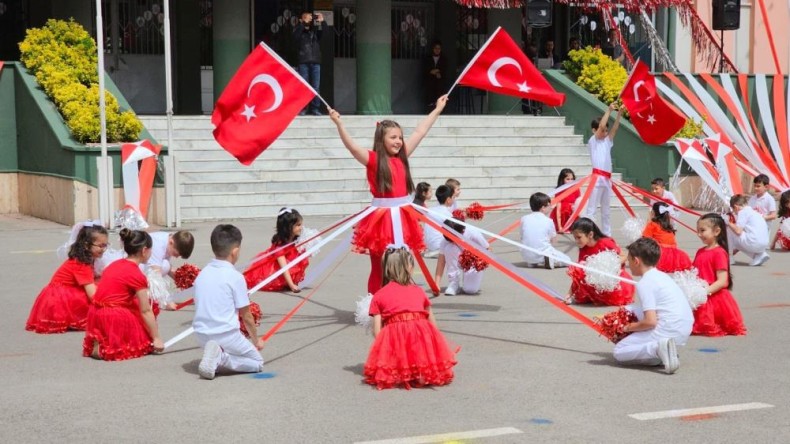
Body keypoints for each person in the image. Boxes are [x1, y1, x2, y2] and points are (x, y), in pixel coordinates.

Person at [328, 95, 449, 294]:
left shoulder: (402, 157)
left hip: (403, 216)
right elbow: (352, 147)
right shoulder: (373, 159)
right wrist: (339, 124)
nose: (399, 141)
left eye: (400, 137)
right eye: (393, 137)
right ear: (381, 139)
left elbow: (420, 131)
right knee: (379, 265)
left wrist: (437, 109)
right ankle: (376, 301)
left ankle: (400, 298)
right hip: (381, 219)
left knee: (403, 261)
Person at [364, 247, 457, 389]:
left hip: (396, 338)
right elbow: (433, 325)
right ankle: (419, 370)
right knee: (423, 373)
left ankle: (402, 367)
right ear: (410, 268)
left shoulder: (379, 295)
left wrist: (385, 351)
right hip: (420, 336)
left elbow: (378, 332)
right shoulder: (419, 291)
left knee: (397, 364)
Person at [194, 224, 265, 380]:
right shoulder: (235, 277)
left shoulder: (202, 274)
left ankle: (216, 358)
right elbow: (246, 316)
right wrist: (256, 340)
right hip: (226, 335)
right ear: (235, 251)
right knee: (257, 362)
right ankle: (222, 358)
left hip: (201, 335)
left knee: (233, 353)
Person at [614, 238, 693, 374]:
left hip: (668, 330)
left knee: (619, 351)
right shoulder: (663, 276)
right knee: (630, 309)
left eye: (629, 260)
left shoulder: (645, 283)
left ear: (636, 261)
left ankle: (657, 348)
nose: (627, 264)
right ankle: (662, 353)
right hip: (684, 328)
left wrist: (627, 327)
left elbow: (650, 322)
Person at [83, 229, 163, 361]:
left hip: (96, 312)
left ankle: (101, 339)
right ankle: (107, 344)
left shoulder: (114, 265)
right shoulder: (136, 274)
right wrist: (156, 338)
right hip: (114, 314)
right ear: (144, 250)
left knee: (132, 304)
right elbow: (145, 310)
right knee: (143, 343)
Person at [26, 224, 109, 334]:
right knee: (98, 303)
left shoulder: (86, 258)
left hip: (61, 293)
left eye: (105, 245)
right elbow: (93, 295)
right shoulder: (82, 263)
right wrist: (112, 303)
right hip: (59, 300)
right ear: (86, 245)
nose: (103, 249)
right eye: (100, 246)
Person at [692, 213, 746, 336]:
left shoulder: (719, 253)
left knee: (711, 324)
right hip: (700, 294)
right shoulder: (700, 251)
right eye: (698, 230)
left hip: (714, 296)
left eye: (702, 230)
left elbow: (723, 281)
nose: (699, 234)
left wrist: (704, 292)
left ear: (716, 231)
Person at [566, 217, 634, 305]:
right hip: (596, 283)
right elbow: (578, 274)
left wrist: (609, 265)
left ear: (590, 234)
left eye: (579, 237)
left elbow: (624, 256)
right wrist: (569, 294)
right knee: (580, 269)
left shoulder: (605, 242)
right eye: (575, 238)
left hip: (612, 279)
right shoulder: (583, 250)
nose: (576, 241)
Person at [243, 207, 309, 293]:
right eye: (298, 225)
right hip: (275, 268)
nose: (301, 227)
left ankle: (288, 281)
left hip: (287, 264)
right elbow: (284, 267)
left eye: (301, 224)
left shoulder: (296, 239)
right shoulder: (280, 245)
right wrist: (291, 285)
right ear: (288, 227)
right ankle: (287, 282)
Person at [583, 103, 622, 236]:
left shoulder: (607, 141)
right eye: (602, 130)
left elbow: (615, 129)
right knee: (592, 209)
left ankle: (607, 234)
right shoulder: (593, 141)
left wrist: (619, 114)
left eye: (606, 131)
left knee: (606, 210)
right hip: (596, 179)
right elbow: (601, 125)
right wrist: (609, 110)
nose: (604, 133)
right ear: (594, 130)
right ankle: (588, 233)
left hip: (607, 179)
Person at [434, 219, 490, 295]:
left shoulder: (472, 233)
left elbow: (488, 249)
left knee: (470, 290)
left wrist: (478, 262)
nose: (452, 241)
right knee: (449, 248)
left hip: (473, 263)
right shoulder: (446, 240)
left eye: (453, 239)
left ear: (462, 232)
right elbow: (441, 262)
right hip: (458, 259)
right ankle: (454, 283)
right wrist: (436, 284)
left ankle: (468, 280)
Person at [144, 230, 194, 311]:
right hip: (133, 268)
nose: (176, 257)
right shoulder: (158, 245)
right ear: (171, 242)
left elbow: (168, 270)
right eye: (176, 254)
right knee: (164, 266)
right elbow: (156, 278)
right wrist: (165, 302)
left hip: (144, 266)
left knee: (166, 265)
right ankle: (145, 295)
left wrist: (187, 282)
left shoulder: (171, 240)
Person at [520, 192, 572, 269]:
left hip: (526, 255)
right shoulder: (548, 221)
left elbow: (522, 236)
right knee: (568, 260)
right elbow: (553, 239)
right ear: (543, 208)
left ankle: (532, 262)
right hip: (543, 253)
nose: (551, 207)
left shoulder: (524, 219)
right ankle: (551, 260)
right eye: (549, 205)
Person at [642, 202, 692, 273]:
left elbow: (645, 240)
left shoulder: (652, 225)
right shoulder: (668, 226)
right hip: (674, 255)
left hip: (661, 254)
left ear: (653, 212)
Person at [294, 11, 324, 116]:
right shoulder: (299, 30)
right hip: (303, 61)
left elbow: (323, 34)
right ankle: (303, 108)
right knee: (303, 86)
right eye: (306, 17)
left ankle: (315, 108)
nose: (309, 19)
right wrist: (303, 24)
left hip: (315, 62)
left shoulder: (314, 31)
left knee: (316, 87)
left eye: (310, 17)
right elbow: (295, 38)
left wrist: (321, 23)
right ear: (301, 19)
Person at [727, 194, 770, 266]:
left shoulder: (742, 212)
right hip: (764, 244)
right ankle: (759, 255)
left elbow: (738, 231)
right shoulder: (754, 212)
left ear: (736, 207)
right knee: (743, 238)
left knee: (730, 229)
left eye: (733, 210)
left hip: (754, 242)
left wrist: (727, 222)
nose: (734, 212)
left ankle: (729, 257)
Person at [423, 185, 455, 258]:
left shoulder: (430, 210)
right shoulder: (447, 214)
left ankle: (435, 251)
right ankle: (439, 251)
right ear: (448, 199)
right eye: (453, 197)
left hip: (429, 245)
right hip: (438, 245)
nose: (453, 200)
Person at [549, 168, 580, 232]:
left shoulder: (576, 189)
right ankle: (563, 226)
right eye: (568, 179)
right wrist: (559, 227)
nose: (570, 181)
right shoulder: (560, 190)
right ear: (562, 179)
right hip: (562, 213)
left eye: (572, 179)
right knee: (564, 209)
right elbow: (558, 209)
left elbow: (578, 203)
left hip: (572, 212)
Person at [424, 41, 447, 110]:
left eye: (439, 48)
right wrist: (431, 72)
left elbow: (444, 69)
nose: (437, 50)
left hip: (440, 84)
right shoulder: (428, 58)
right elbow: (425, 69)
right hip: (430, 83)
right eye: (435, 48)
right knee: (430, 103)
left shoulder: (443, 59)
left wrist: (438, 72)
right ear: (432, 49)